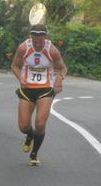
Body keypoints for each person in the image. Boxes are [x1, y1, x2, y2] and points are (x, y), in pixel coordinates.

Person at [11, 24, 67, 166]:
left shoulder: (52, 50)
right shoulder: (24, 48)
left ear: (45, 38)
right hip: (27, 89)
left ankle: (34, 154)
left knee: (40, 123)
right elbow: (14, 66)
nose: (37, 45)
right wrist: (20, 78)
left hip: (45, 89)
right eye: (35, 42)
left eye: (40, 42)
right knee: (23, 126)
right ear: (31, 38)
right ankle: (30, 135)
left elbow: (63, 68)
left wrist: (59, 79)